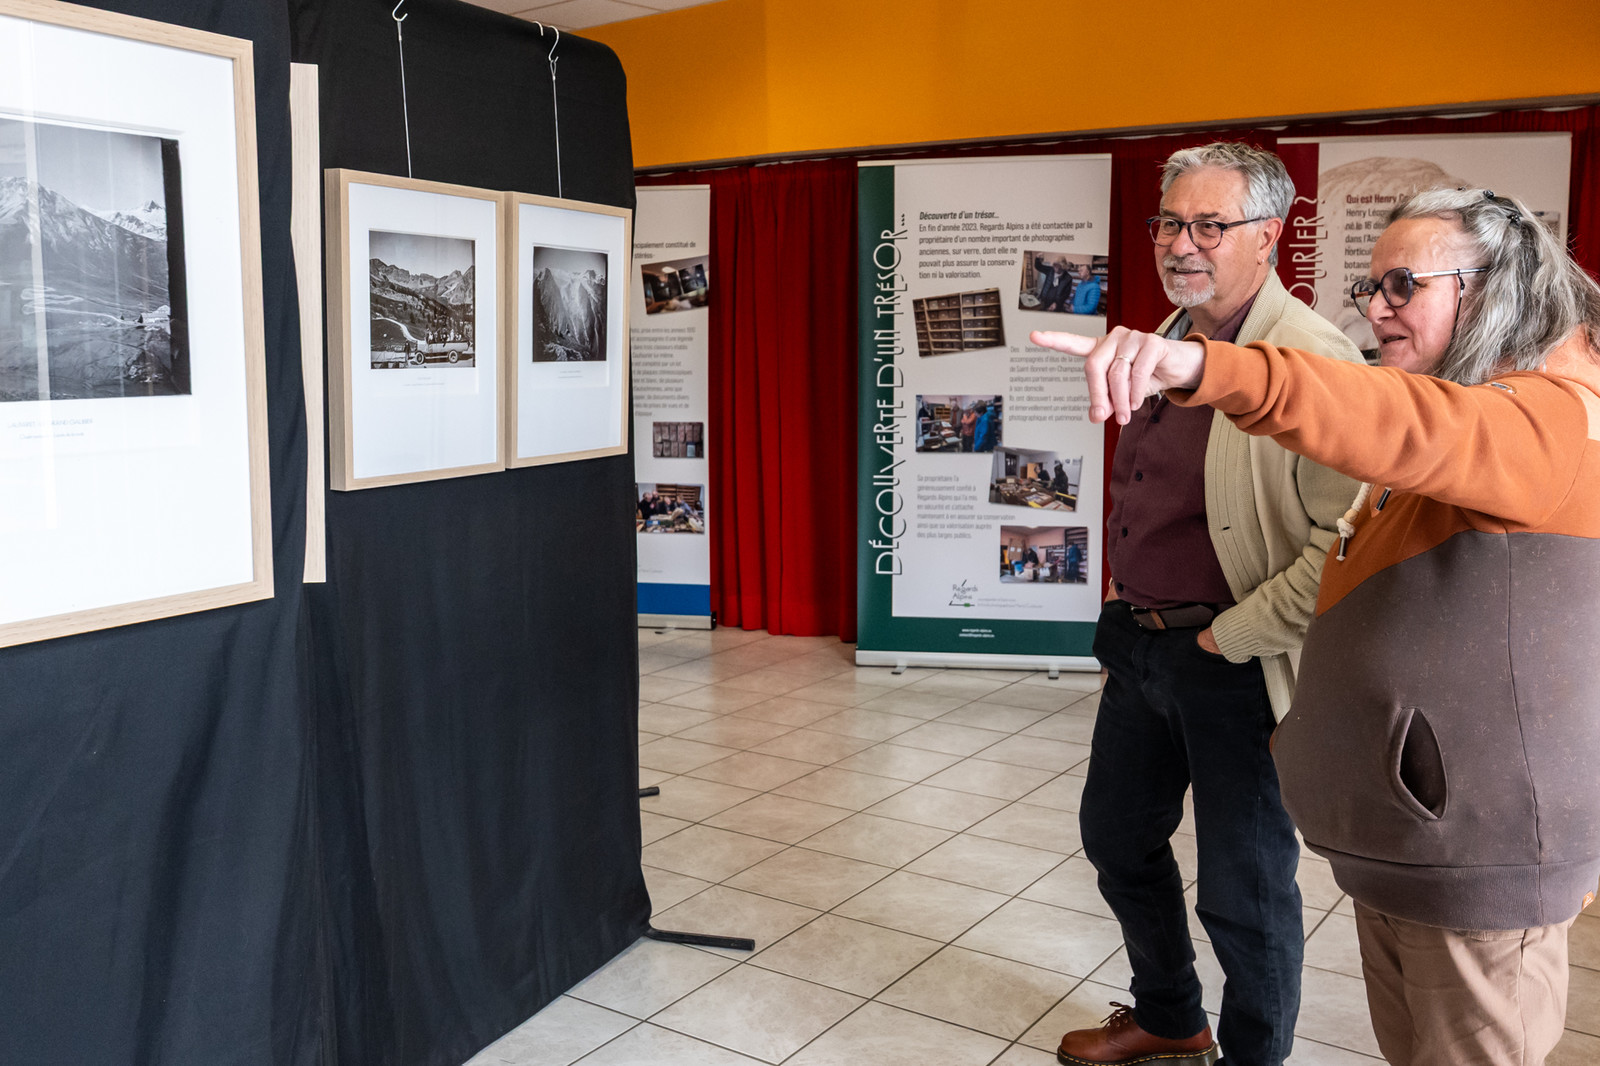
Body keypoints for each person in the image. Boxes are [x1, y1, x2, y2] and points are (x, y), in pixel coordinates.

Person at [1035, 185, 1600, 1066]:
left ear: (1493, 287)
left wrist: (1207, 373)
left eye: (1403, 285)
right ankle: (1171, 1017)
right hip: (1406, 835)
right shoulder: (1458, 390)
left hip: (1474, 852)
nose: (1377, 309)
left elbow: (1387, 427)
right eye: (1372, 287)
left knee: (1251, 898)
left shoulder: (1551, 416)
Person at [1051, 142, 1365, 1066]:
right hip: (1142, 647)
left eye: (1209, 226)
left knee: (1246, 890)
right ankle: (1170, 1017)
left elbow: (1340, 547)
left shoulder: (1313, 362)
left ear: (1268, 236)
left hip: (1239, 663)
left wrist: (1233, 635)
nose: (1182, 245)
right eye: (1169, 224)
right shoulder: (1173, 333)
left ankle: (1254, 1056)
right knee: (1116, 838)